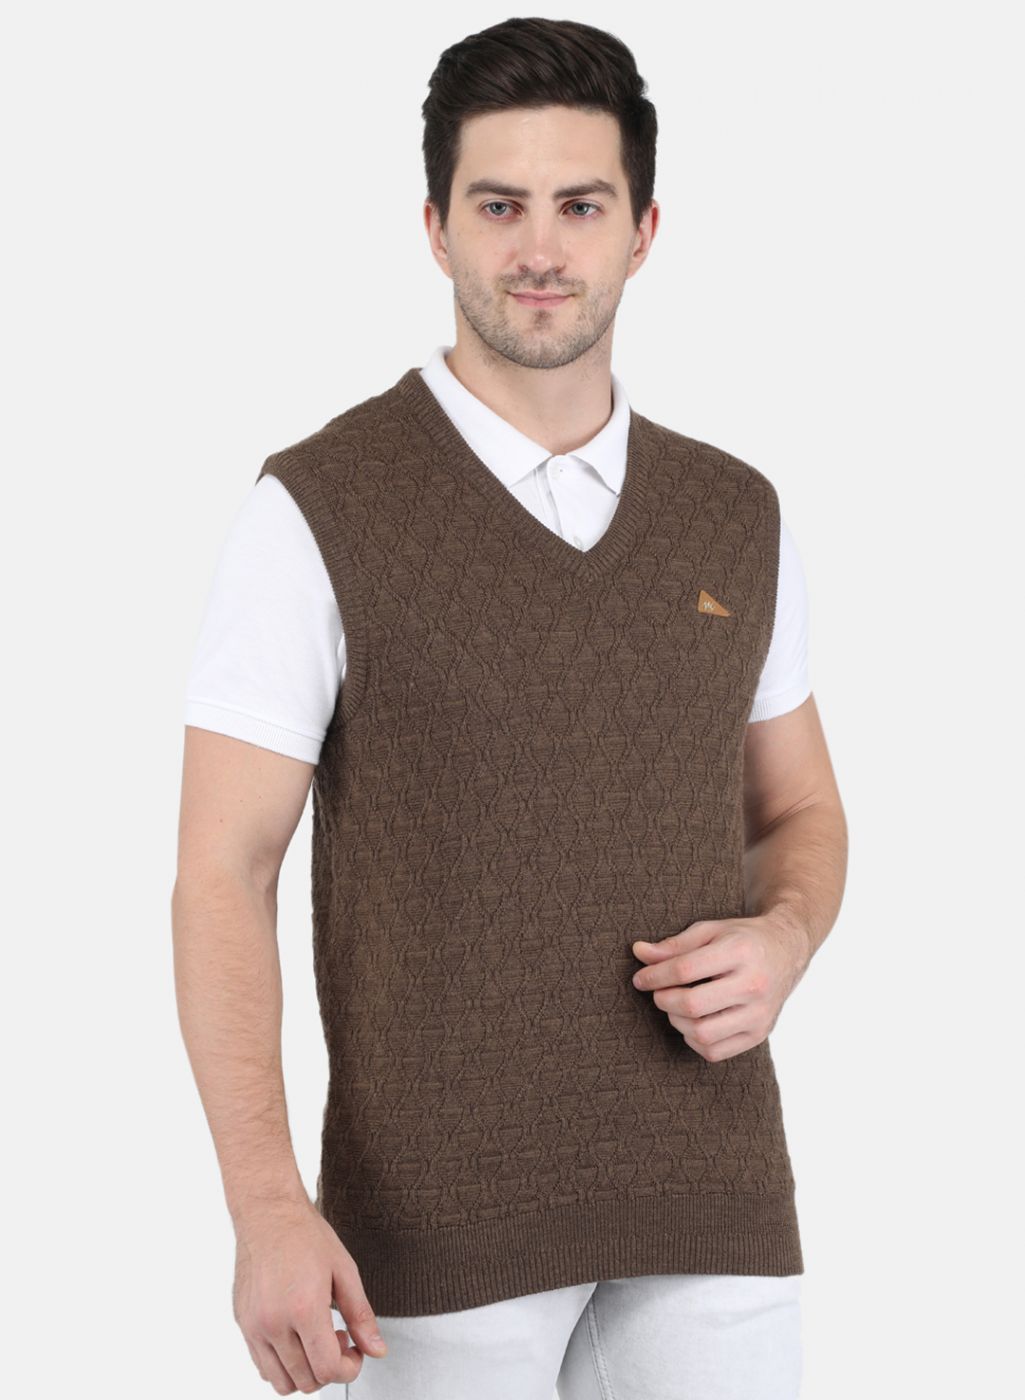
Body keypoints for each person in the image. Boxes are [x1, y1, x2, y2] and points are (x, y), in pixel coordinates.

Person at [172, 17, 847, 1399]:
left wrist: (783, 936)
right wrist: (266, 1206)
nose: (540, 248)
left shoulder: (737, 512)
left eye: (580, 206)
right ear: (435, 229)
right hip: (432, 1243)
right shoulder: (318, 506)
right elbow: (220, 870)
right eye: (499, 206)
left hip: (712, 1211)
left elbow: (800, 808)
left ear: (643, 232)